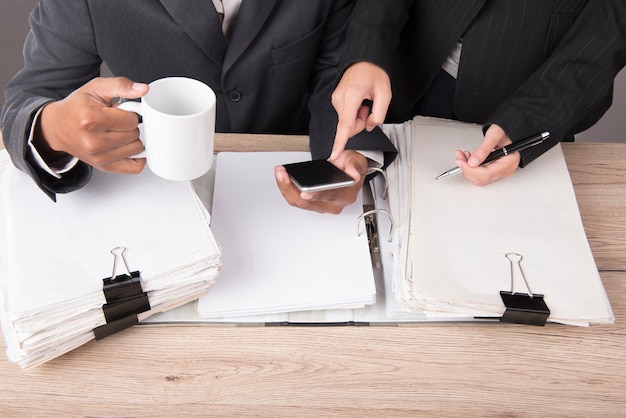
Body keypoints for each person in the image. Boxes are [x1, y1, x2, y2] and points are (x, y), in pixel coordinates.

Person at [1, 0, 396, 213]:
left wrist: (350, 155)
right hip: (152, 196)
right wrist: (52, 129)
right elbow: (28, 97)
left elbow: (335, 76)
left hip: (276, 191)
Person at [331, 0, 626, 186]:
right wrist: (367, 47)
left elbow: (613, 21)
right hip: (403, 71)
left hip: (538, 96)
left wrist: (532, 120)